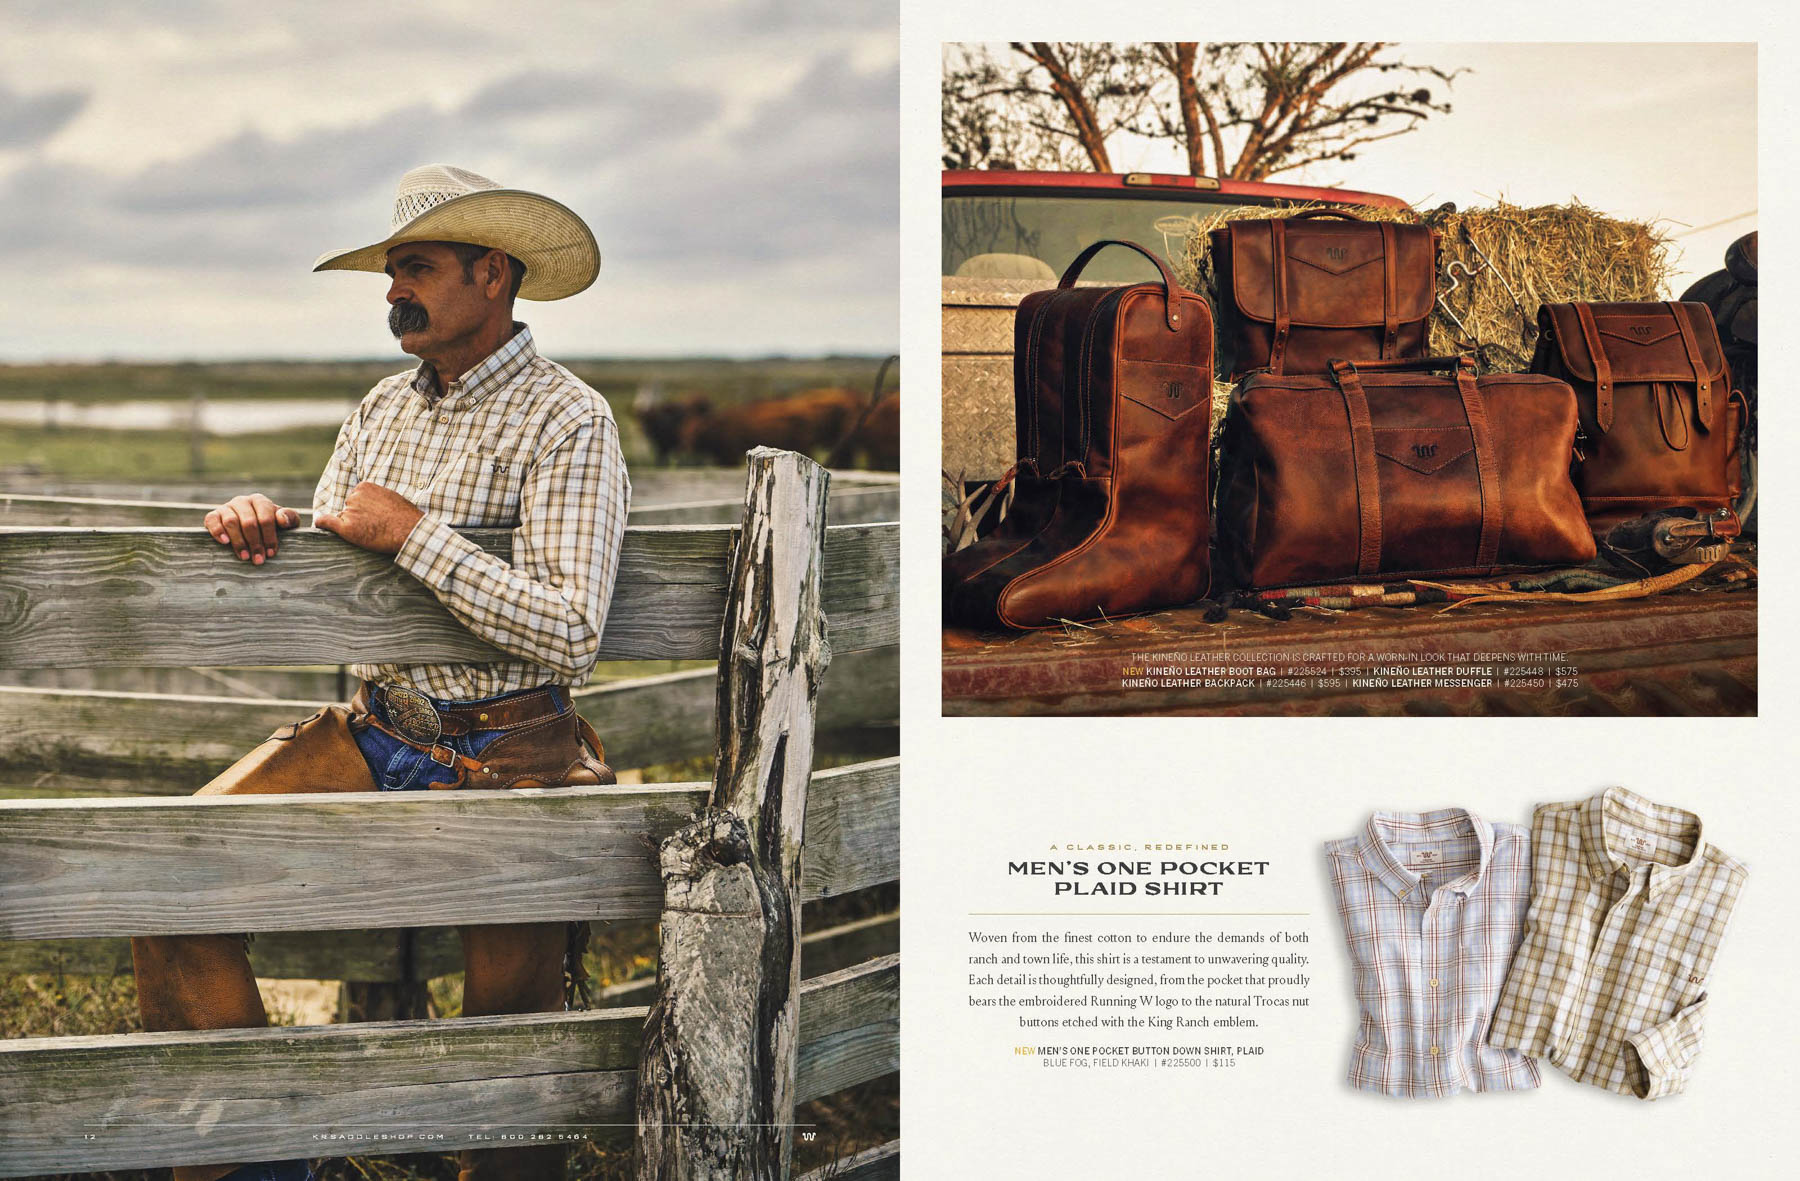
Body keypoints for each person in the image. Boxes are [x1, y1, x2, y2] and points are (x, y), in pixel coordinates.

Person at [130, 163, 630, 1181]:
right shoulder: (380, 409)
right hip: (377, 728)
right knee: (165, 877)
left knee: (513, 1060)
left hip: (509, 748)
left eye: (417, 267)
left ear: (493, 274)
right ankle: (264, 1159)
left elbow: (572, 629)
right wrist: (263, 524)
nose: (393, 290)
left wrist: (414, 534)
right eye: (393, 270)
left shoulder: (567, 419)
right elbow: (333, 545)